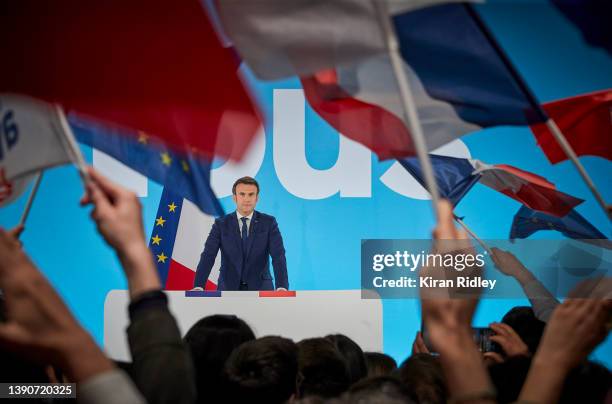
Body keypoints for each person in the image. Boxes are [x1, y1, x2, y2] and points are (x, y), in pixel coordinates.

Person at [193, 176, 288, 291]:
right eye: (242, 194)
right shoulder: (221, 224)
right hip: (228, 289)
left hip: (261, 289)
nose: (247, 199)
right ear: (234, 198)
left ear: (257, 198)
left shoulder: (269, 223)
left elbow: (278, 256)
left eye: (251, 194)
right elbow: (208, 255)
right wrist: (199, 285)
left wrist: (282, 287)